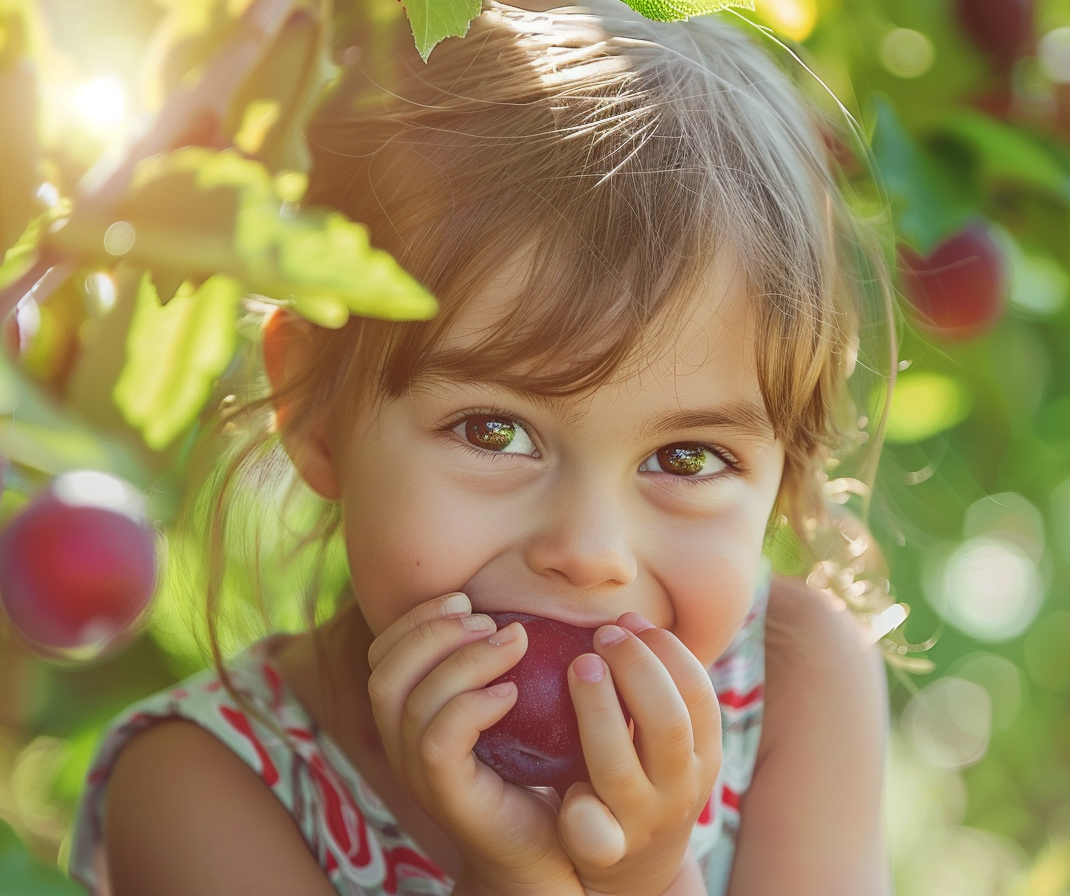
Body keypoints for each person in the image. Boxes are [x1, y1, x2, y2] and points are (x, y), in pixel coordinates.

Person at [70, 2, 894, 894]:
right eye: (494, 432)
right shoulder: (205, 790)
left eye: (687, 458)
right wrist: (518, 878)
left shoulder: (800, 691)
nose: (587, 552)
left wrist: (642, 877)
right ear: (315, 405)